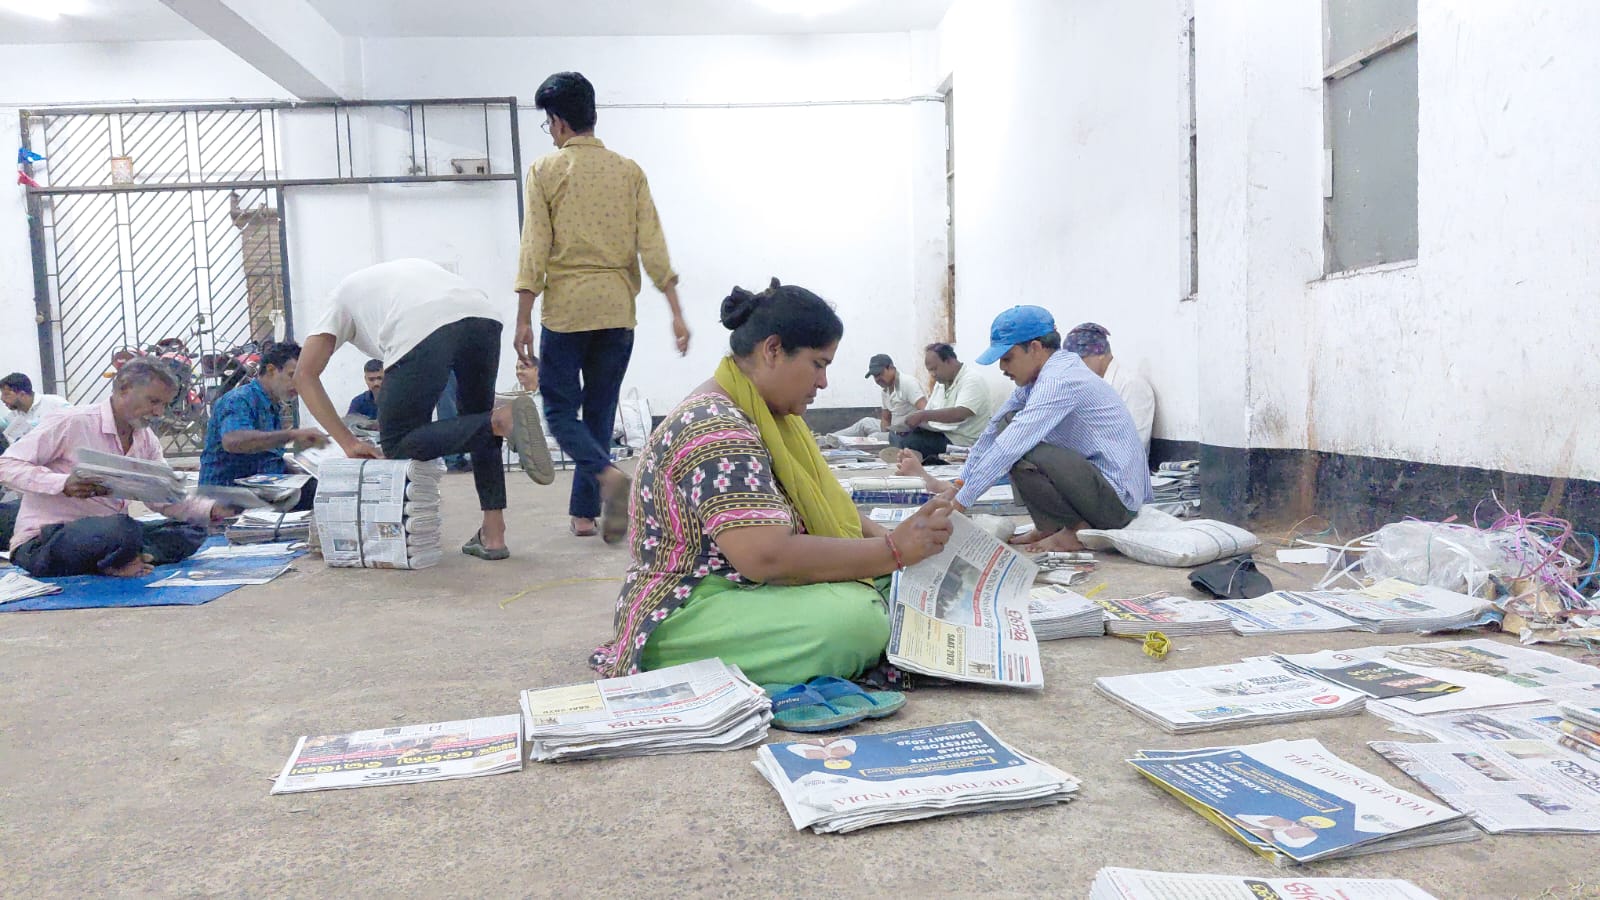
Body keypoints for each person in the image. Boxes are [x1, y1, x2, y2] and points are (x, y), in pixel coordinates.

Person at [590, 278, 953, 685]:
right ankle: (667, 658)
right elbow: (764, 556)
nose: (823, 383)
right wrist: (892, 551)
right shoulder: (714, 425)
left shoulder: (766, 416)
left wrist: (896, 542)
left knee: (897, 585)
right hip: (689, 607)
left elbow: (830, 509)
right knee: (855, 621)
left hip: (745, 590)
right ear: (773, 350)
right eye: (819, 364)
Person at [515, 71, 689, 543]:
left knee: (557, 412)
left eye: (548, 123)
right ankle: (584, 515)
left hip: (568, 310)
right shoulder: (628, 170)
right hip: (617, 310)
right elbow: (651, 242)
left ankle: (607, 476)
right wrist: (675, 309)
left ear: (557, 121)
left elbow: (535, 245)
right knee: (599, 410)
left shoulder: (546, 170)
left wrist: (524, 317)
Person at [295, 259, 555, 562]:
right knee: (478, 423)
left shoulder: (339, 300)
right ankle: (493, 535)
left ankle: (504, 417)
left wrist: (348, 442)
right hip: (483, 315)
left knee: (398, 441)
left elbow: (304, 375)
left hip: (420, 321)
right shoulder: (394, 277)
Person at [898, 305, 1152, 553]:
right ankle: (1050, 527)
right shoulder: (1037, 379)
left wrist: (960, 505)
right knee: (1009, 428)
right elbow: (993, 431)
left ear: (1035, 348)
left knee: (1021, 446)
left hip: (1117, 504)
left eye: (1007, 358)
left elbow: (1010, 444)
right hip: (1098, 488)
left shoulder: (1059, 380)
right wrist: (960, 484)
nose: (1002, 368)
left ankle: (1073, 531)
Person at [0, 358, 227, 577]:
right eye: (153, 401)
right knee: (121, 529)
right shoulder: (72, 422)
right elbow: (6, 465)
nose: (159, 413)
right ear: (124, 389)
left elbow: (163, 494)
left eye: (164, 405)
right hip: (48, 540)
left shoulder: (145, 439)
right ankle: (121, 557)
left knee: (192, 529)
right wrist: (62, 483)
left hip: (107, 536)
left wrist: (210, 510)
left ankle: (121, 558)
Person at [199, 340, 327, 511]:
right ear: (271, 370)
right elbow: (233, 441)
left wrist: (304, 471)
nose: (299, 384)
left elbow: (267, 457)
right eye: (292, 375)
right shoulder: (239, 400)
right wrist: (292, 435)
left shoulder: (272, 405)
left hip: (259, 489)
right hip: (226, 492)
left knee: (322, 490)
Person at [894, 343, 997, 465]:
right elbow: (930, 412)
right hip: (942, 434)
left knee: (913, 442)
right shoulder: (941, 383)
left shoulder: (972, 379)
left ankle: (919, 463)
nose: (932, 374)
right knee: (898, 436)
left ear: (949, 361)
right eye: (930, 370)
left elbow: (961, 413)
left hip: (961, 440)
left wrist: (922, 415)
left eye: (934, 369)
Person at [1066, 322, 1155, 451]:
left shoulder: (1131, 385)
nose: (1075, 367)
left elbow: (1134, 444)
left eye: (1080, 359)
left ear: (1100, 353)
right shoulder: (1087, 384)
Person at [830, 354, 926, 442]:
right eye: (874, 376)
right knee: (865, 423)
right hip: (893, 430)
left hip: (908, 434)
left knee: (874, 437)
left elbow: (925, 410)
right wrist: (886, 435)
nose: (877, 379)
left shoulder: (908, 383)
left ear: (891, 368)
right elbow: (886, 417)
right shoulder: (885, 389)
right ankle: (827, 439)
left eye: (879, 374)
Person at [1, 372, 70, 446]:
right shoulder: (13, 416)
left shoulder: (55, 403)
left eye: (6, 394)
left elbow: (75, 424)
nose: (2, 399)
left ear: (22, 394)